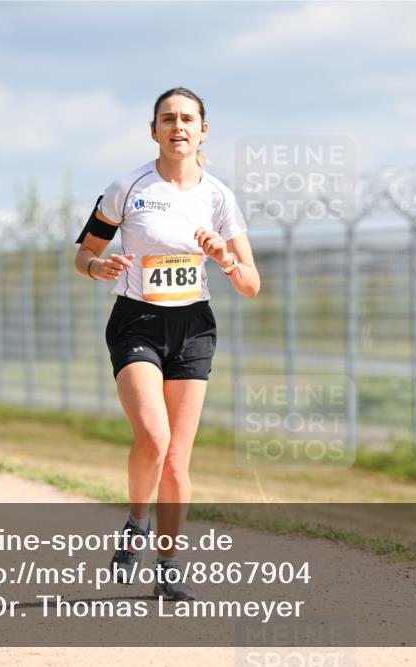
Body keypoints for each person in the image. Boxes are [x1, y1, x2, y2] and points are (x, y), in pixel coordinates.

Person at [75, 87, 260, 601]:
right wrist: (98, 267)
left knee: (177, 459)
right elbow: (84, 254)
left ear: (203, 130)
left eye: (187, 119)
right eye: (168, 118)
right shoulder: (127, 187)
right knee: (153, 439)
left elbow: (251, 284)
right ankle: (137, 522)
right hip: (136, 322)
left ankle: (170, 567)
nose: (178, 126)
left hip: (193, 327)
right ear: (153, 130)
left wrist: (224, 258)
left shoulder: (219, 197)